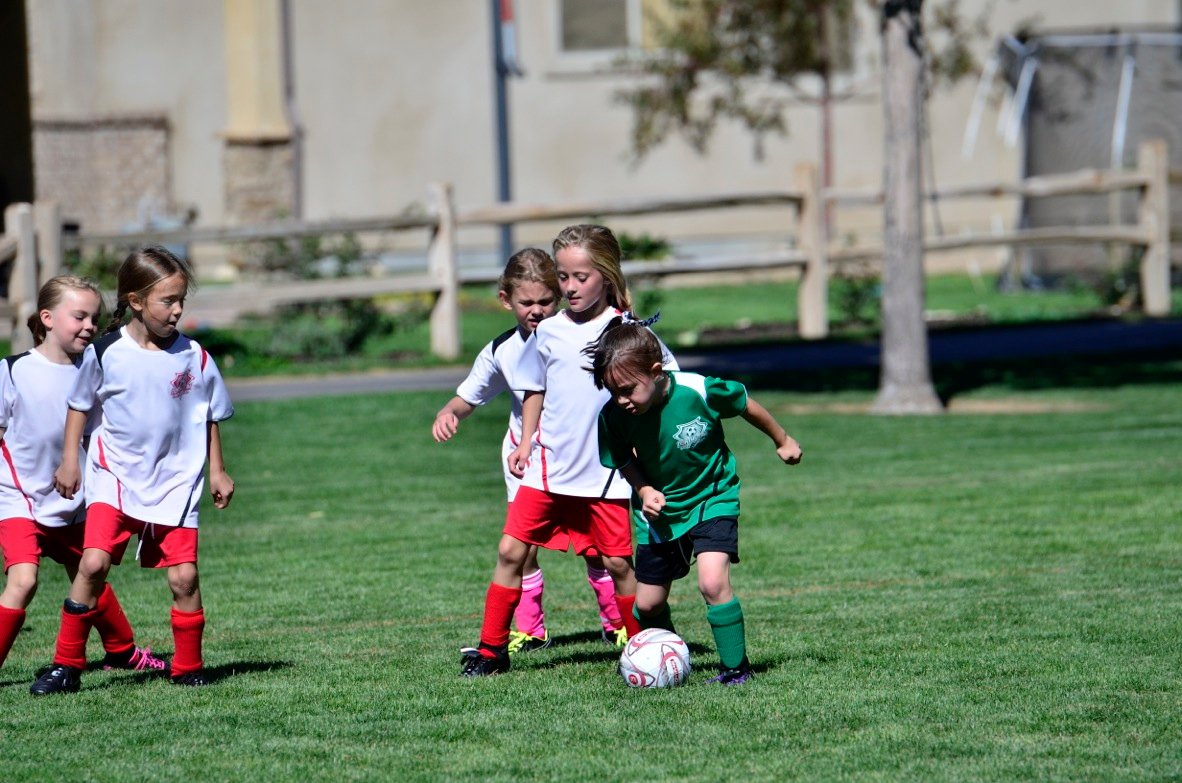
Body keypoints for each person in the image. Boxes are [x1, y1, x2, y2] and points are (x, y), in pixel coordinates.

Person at [461, 224, 677, 677]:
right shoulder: (549, 331)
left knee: (618, 564)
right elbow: (534, 388)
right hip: (547, 468)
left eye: (581, 276)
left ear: (606, 275)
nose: (571, 287)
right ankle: (491, 650)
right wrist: (526, 442)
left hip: (606, 473)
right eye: (563, 277)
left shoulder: (628, 332)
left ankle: (644, 645)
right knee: (510, 552)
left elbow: (665, 383)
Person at [29, 246, 235, 695]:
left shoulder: (195, 356)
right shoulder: (106, 353)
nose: (177, 310)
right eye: (168, 300)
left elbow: (209, 414)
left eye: (181, 300)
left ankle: (188, 667)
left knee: (184, 578)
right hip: (116, 476)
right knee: (93, 562)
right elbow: (79, 406)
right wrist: (70, 460)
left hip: (176, 481)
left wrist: (218, 470)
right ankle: (66, 665)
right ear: (136, 301)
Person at [587, 319, 803, 685]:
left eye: (627, 389)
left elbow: (744, 403)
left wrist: (782, 439)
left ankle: (736, 669)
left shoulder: (697, 389)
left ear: (656, 371)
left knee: (712, 583)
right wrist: (644, 490)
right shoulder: (613, 417)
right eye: (612, 391)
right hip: (660, 514)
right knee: (648, 605)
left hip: (712, 496)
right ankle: (669, 655)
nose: (621, 400)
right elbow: (622, 458)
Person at [432, 248, 625, 655]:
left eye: (546, 300)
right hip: (526, 462)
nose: (536, 310)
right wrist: (449, 412)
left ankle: (617, 624)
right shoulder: (502, 349)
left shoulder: (574, 334)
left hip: (584, 458)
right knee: (520, 552)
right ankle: (530, 630)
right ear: (506, 300)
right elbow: (468, 397)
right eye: (526, 302)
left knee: (599, 552)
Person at [0, 277, 166, 674]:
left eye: (95, 318)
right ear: (47, 318)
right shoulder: (13, 370)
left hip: (75, 502)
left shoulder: (96, 371)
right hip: (18, 497)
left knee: (89, 576)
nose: (90, 325)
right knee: (24, 581)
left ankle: (122, 652)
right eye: (79, 316)